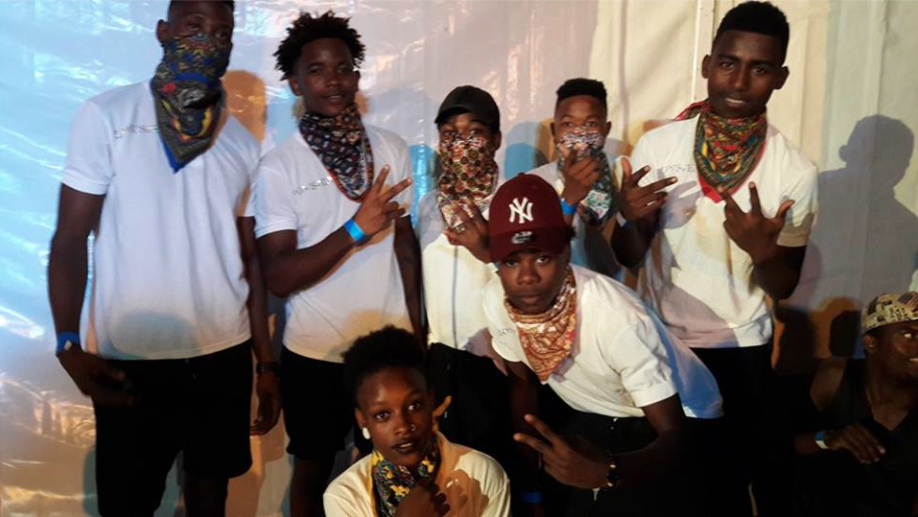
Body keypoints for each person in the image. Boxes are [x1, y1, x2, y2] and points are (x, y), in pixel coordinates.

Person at [48, 2, 280, 515]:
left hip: (222, 351)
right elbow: (69, 238)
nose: (208, 41)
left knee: (210, 494)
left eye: (222, 33)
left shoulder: (241, 143)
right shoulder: (108, 116)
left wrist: (265, 362)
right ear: (163, 31)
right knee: (127, 503)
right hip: (133, 356)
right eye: (194, 26)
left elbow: (248, 260)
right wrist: (67, 342)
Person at [610, 2, 818, 514]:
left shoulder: (794, 170)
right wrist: (631, 221)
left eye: (759, 68)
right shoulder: (659, 146)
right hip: (659, 342)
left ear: (780, 78)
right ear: (707, 65)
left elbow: (784, 284)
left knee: (722, 490)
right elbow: (628, 256)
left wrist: (762, 253)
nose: (739, 81)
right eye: (728, 63)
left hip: (739, 350)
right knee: (656, 486)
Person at [452, 173, 722, 516]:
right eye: (511, 260)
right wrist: (532, 490)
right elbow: (523, 384)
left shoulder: (617, 318)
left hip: (679, 420)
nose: (527, 277)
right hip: (598, 408)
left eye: (542, 257)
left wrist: (609, 471)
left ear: (565, 253)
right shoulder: (496, 301)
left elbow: (675, 436)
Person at [255, 10, 421, 516]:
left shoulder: (391, 148)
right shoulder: (280, 166)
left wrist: (419, 328)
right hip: (315, 352)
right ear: (295, 83)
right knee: (313, 471)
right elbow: (278, 275)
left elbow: (405, 247)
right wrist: (354, 229)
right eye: (317, 70)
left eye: (344, 68)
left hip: (388, 348)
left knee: (397, 471)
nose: (334, 80)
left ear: (357, 75)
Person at [416, 85, 513, 468]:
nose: (461, 145)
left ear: (496, 139)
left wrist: (488, 252)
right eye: (450, 135)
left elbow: (535, 283)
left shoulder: (512, 202)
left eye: (474, 133)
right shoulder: (428, 205)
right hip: (439, 362)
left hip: (496, 362)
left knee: (494, 471)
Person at [325, 326, 511, 516]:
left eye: (414, 405)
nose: (403, 426)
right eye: (382, 415)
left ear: (431, 401)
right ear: (362, 420)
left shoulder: (481, 473)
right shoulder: (344, 496)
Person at [792, 292, 918, 517]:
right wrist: (827, 439)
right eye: (908, 334)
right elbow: (784, 446)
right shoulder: (835, 378)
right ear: (871, 343)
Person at [529, 78, 619, 276]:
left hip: (613, 291)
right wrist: (569, 199)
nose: (579, 134)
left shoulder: (623, 174)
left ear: (606, 129)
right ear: (554, 131)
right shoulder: (533, 185)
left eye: (591, 123)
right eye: (568, 124)